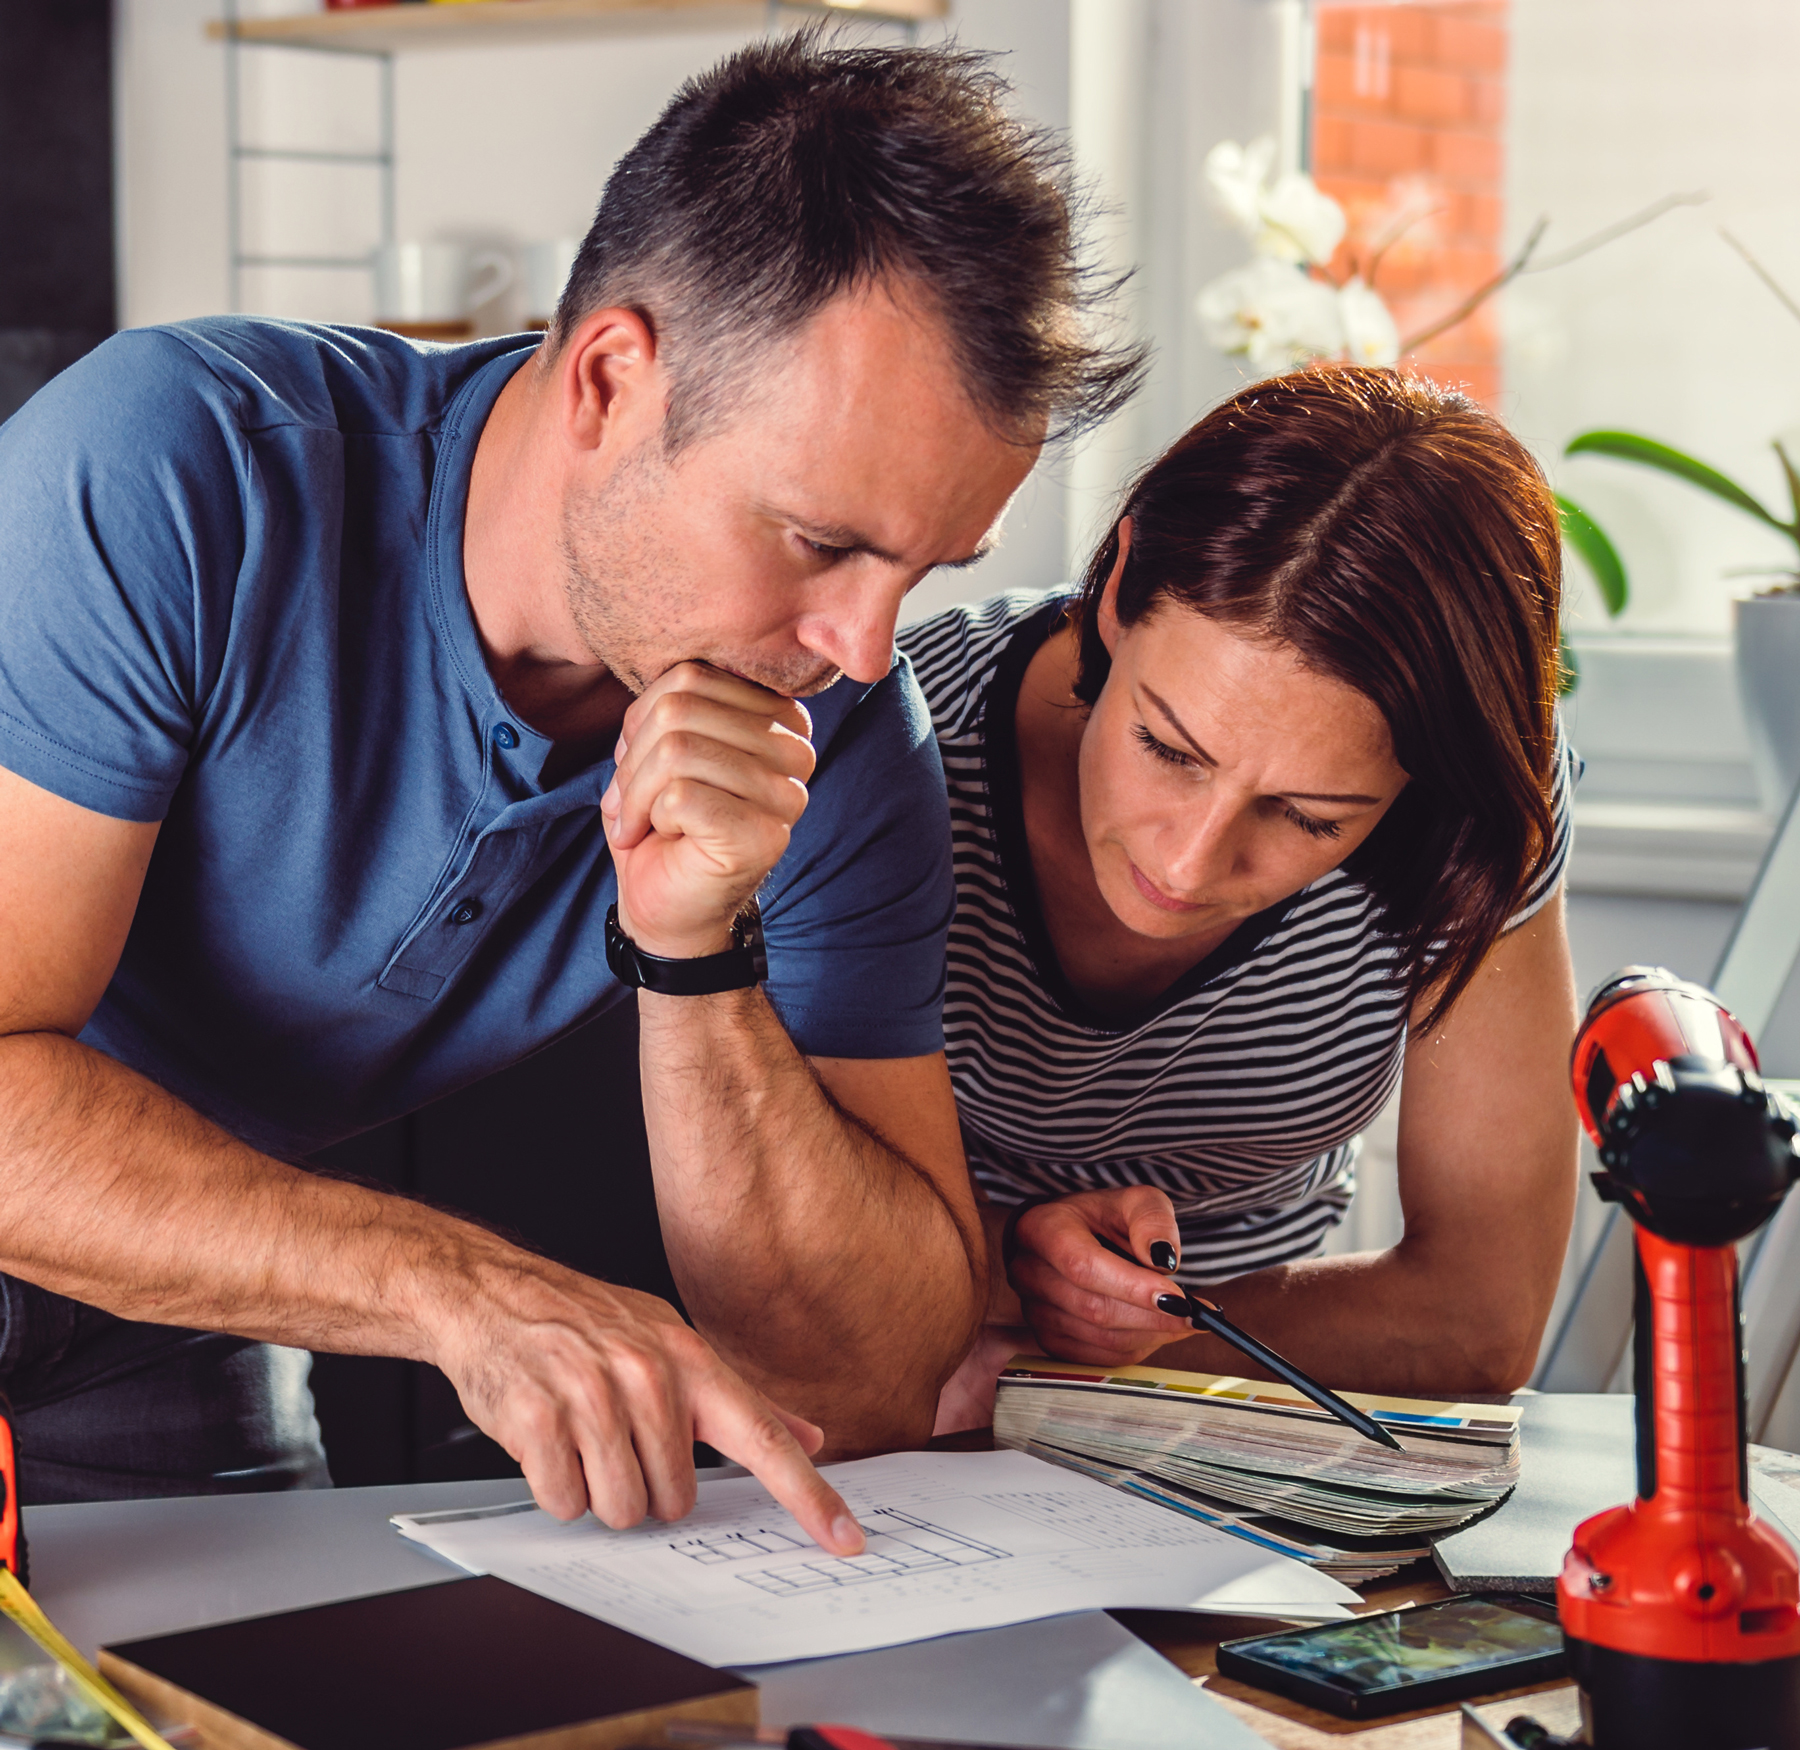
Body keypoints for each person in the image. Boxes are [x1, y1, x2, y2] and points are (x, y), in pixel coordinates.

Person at [0, 34, 1141, 1531]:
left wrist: (698, 954)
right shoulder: (179, 466)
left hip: (182, 1307)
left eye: (922, 570)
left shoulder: (844, 724)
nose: (864, 648)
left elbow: (868, 1380)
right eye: (820, 540)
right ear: (612, 378)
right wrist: (462, 1288)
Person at [899, 366, 1580, 1429]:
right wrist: (991, 1263)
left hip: (1227, 1415)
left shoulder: (1472, 815)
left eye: (1311, 816)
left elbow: (1479, 1316)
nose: (1187, 867)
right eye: (1167, 748)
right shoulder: (889, 750)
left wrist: (1114, 1352)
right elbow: (748, 1217)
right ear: (1118, 593)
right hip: (900, 1381)